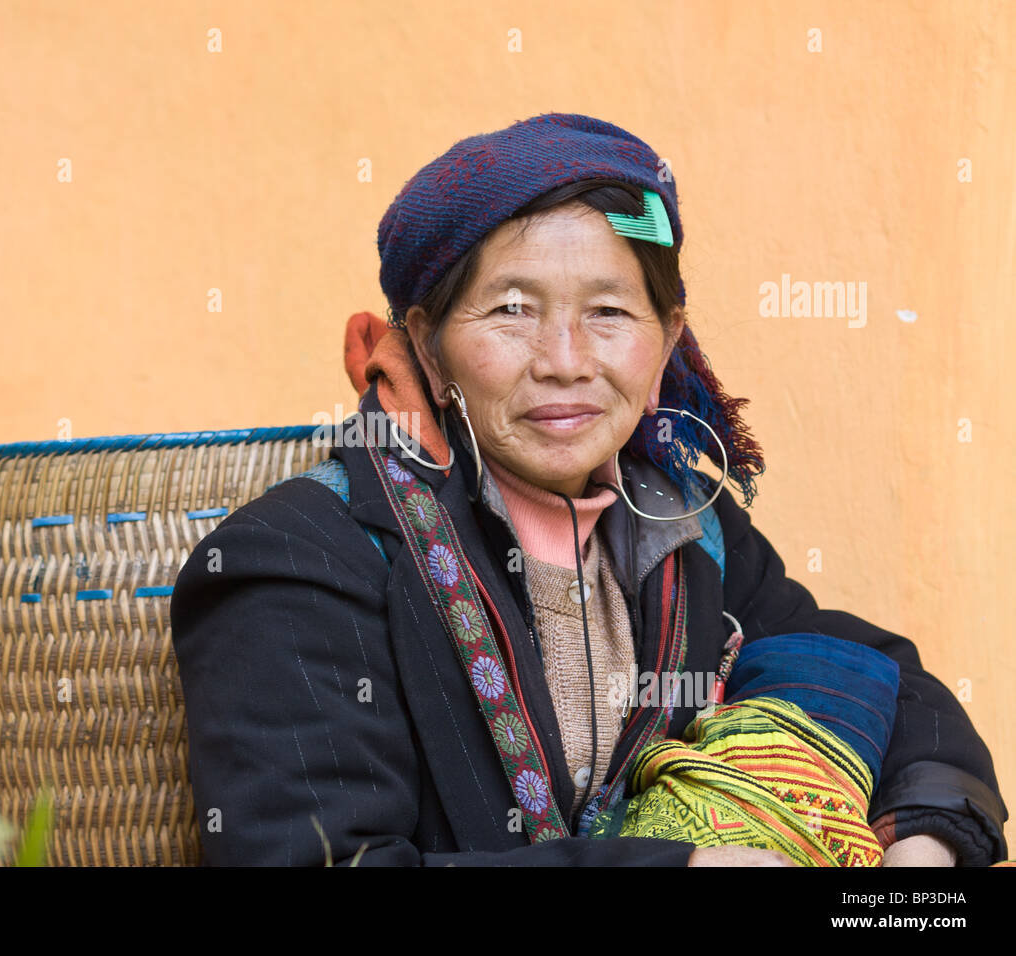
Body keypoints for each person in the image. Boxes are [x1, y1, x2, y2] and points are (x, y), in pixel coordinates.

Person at [169, 113, 1006, 866]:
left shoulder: (686, 529)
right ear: (426, 345)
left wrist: (922, 844)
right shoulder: (299, 564)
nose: (565, 359)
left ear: (666, 338)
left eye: (609, 312)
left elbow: (880, 674)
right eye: (510, 310)